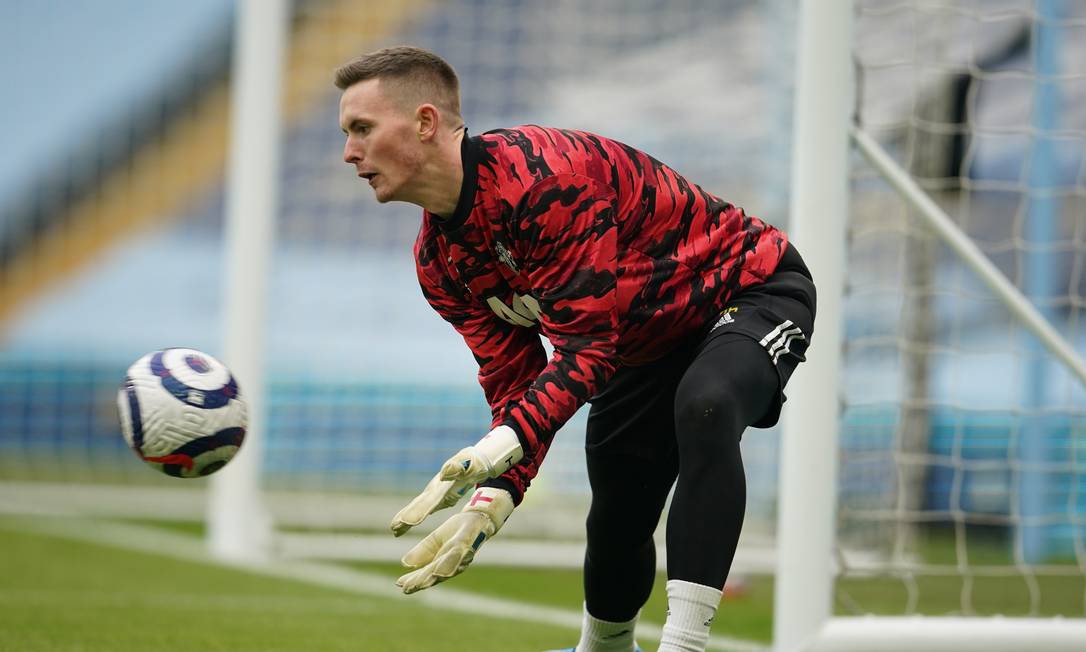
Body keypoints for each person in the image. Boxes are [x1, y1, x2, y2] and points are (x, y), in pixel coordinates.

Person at [334, 46, 815, 652]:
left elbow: (587, 348)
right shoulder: (438, 263)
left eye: (361, 128)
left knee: (707, 403)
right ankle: (605, 647)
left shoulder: (543, 180)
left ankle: (684, 645)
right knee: (619, 495)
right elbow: (518, 383)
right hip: (640, 344)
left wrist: (500, 449)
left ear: (426, 123)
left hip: (747, 287)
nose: (349, 152)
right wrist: (499, 491)